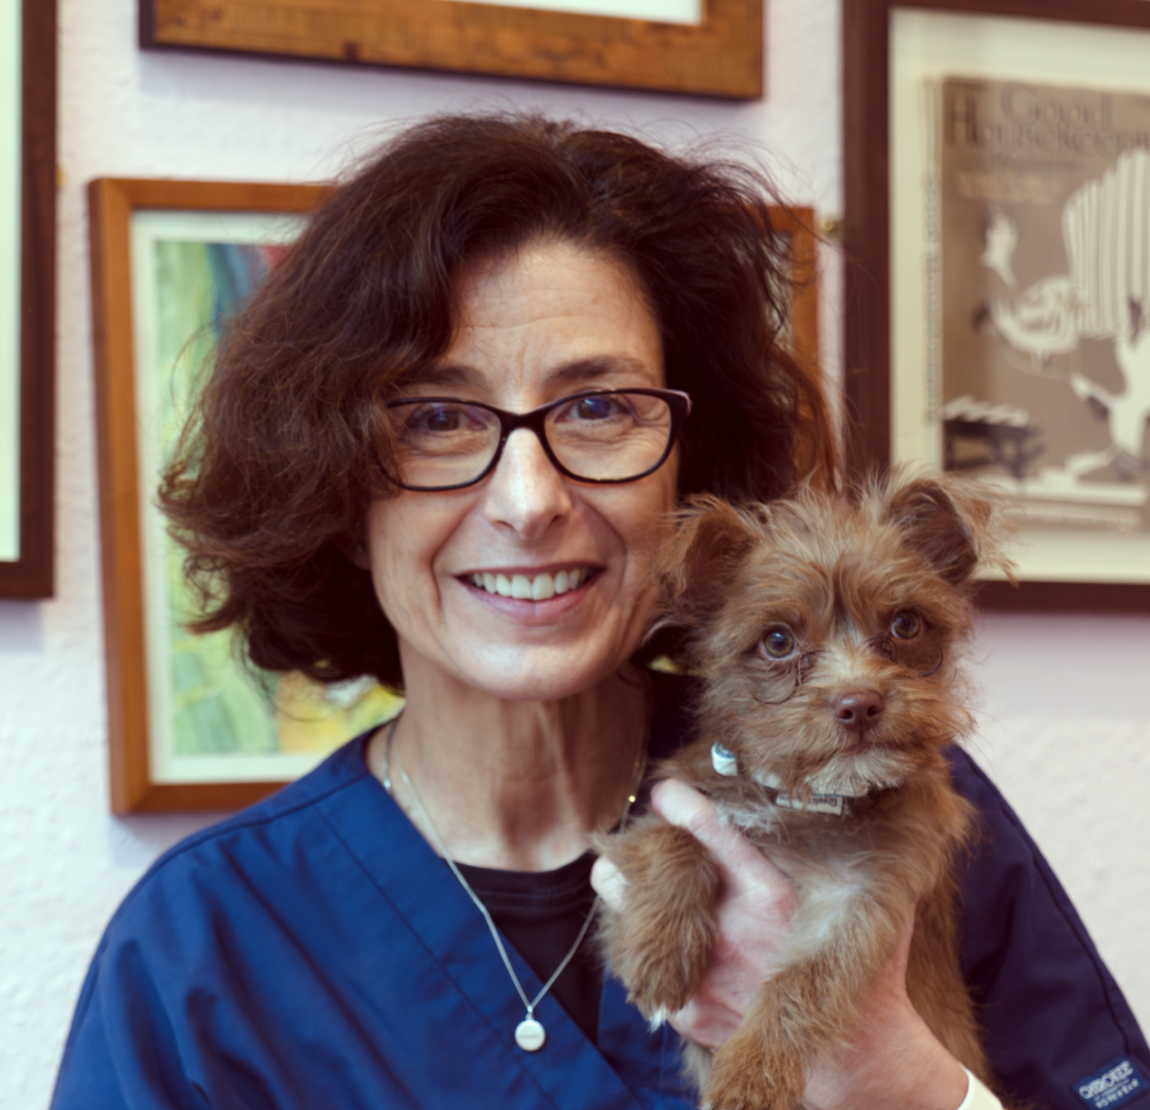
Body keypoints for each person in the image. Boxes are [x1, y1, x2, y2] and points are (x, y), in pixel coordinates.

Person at [53, 114, 1148, 1110]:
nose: (529, 502)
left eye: (599, 407)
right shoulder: (205, 951)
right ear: (337, 491)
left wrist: (893, 1078)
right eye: (436, 418)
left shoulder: (886, 791)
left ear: (686, 474)